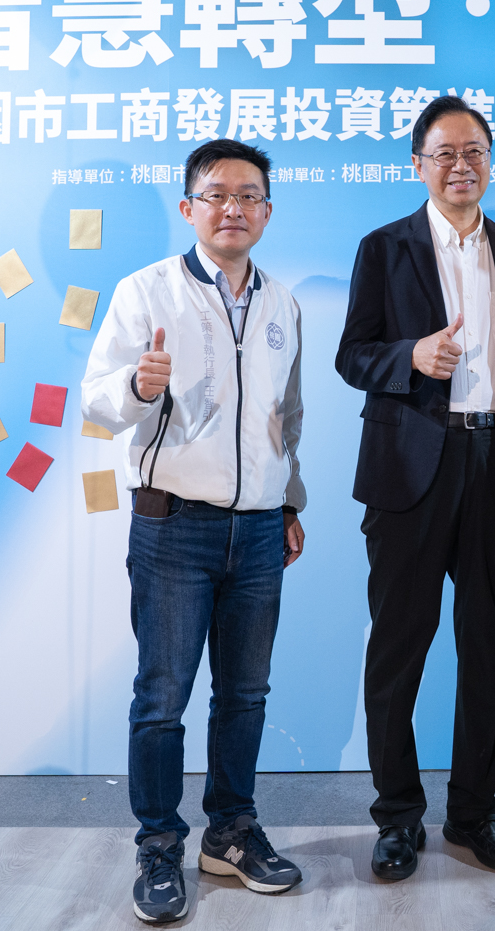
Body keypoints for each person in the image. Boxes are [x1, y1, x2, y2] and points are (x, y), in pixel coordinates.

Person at [81, 138, 308, 924]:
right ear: (189, 207)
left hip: (259, 533)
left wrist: (289, 503)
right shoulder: (146, 291)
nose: (232, 208)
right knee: (163, 697)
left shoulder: (283, 304)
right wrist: (136, 385)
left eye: (248, 196)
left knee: (245, 693)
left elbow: (288, 417)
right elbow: (96, 398)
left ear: (267, 213)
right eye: (216, 194)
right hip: (173, 527)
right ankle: (157, 845)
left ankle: (231, 832)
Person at [335, 96, 495, 880]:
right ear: (417, 163)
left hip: (492, 467)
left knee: (484, 646)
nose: (461, 165)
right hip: (408, 469)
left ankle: (474, 812)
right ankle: (397, 815)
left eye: (474, 151)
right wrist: (410, 357)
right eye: (445, 152)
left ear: (490, 161)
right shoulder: (383, 248)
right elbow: (353, 354)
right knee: (399, 646)